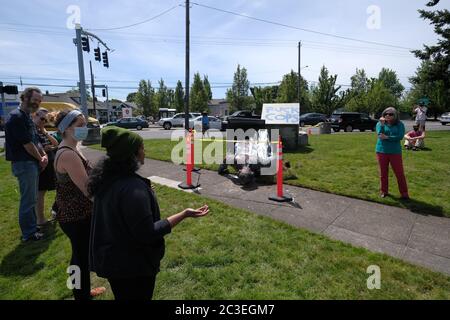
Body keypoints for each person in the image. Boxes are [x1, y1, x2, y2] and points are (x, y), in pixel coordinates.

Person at [88, 126, 210, 300]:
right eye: (142, 147)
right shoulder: (132, 188)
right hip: (133, 267)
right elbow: (148, 233)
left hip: (114, 262)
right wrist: (184, 214)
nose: (145, 151)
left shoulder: (107, 179)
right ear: (133, 154)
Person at [54, 109, 105, 300]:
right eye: (80, 125)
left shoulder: (74, 148)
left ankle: (81, 292)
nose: (84, 128)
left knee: (79, 256)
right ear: (66, 128)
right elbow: (87, 190)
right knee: (81, 258)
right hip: (75, 216)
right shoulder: (68, 154)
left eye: (85, 124)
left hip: (76, 213)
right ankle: (81, 295)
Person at [4, 87, 48, 242]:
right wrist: (40, 158)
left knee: (32, 198)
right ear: (24, 98)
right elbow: (28, 144)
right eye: (35, 99)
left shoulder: (27, 116)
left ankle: (32, 227)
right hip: (24, 163)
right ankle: (29, 234)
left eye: (39, 101)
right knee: (28, 200)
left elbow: (35, 139)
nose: (37, 103)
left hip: (31, 162)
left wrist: (43, 155)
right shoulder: (16, 117)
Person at [376, 107, 409, 200]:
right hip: (381, 151)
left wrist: (387, 137)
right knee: (383, 173)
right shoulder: (379, 123)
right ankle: (384, 191)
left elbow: (399, 136)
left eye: (391, 114)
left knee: (399, 173)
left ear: (395, 115)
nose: (388, 115)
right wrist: (382, 125)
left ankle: (404, 193)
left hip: (395, 152)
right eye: (386, 113)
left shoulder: (399, 124)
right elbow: (380, 135)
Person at [32, 108, 59, 226]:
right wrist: (44, 150)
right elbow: (33, 146)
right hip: (42, 164)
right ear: (35, 115)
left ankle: (55, 211)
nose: (44, 121)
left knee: (58, 187)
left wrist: (45, 132)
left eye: (46, 120)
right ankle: (40, 219)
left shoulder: (42, 130)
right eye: (42, 119)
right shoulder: (31, 130)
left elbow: (55, 143)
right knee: (41, 192)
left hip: (50, 162)